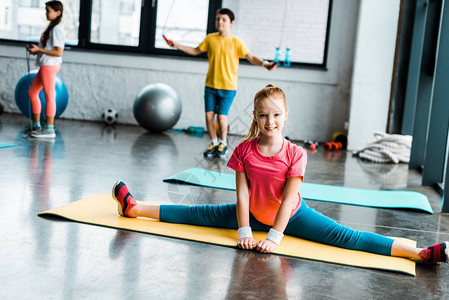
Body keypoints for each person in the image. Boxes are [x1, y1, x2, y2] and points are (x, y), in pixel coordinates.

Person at [112, 84, 448, 264]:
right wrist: (244, 229)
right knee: (194, 214)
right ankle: (133, 207)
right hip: (251, 216)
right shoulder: (244, 150)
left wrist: (274, 237)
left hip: (291, 217)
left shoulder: (295, 153)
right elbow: (242, 194)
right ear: (256, 118)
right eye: (262, 115)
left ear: (285, 115)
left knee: (349, 238)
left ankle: (417, 252)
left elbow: (288, 201)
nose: (269, 121)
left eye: (275, 114)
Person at [164, 8, 276, 158]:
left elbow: (251, 57)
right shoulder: (210, 39)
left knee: (221, 117)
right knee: (209, 116)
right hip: (210, 86)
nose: (220, 22)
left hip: (228, 88)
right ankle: (214, 143)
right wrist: (177, 45)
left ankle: (223, 143)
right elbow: (196, 50)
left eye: (223, 19)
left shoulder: (236, 42)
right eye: (218, 19)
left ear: (231, 23)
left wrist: (265, 64)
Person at [26, 1, 65, 139]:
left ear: (58, 12)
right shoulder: (52, 27)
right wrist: (36, 50)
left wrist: (39, 50)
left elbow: (58, 52)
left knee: (49, 95)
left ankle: (49, 129)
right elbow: (48, 48)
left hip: (50, 66)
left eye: (48, 11)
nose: (46, 13)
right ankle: (36, 126)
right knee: (32, 93)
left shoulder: (57, 29)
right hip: (45, 65)